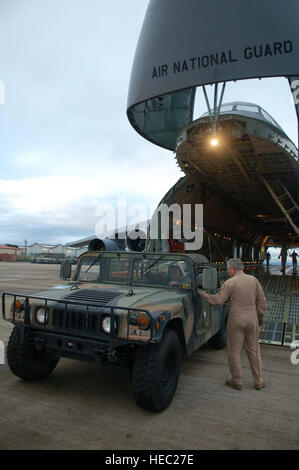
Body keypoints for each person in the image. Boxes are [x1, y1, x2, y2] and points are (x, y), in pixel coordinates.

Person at [198, 258, 267, 391]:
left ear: (234, 269)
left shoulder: (230, 283)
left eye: (229, 269)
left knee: (234, 351)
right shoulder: (254, 280)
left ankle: (237, 380)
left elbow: (218, 300)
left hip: (236, 319)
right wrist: (260, 316)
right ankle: (259, 380)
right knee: (254, 351)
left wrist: (204, 295)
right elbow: (262, 301)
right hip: (252, 319)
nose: (228, 271)